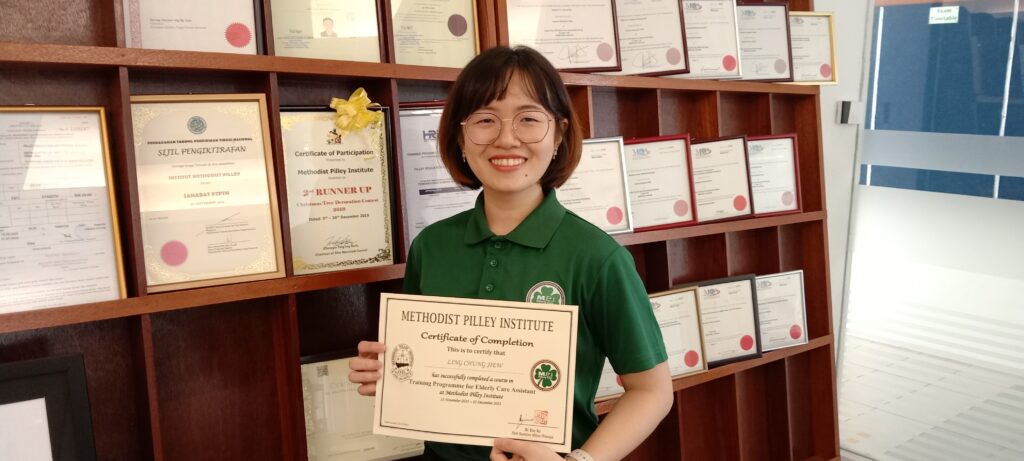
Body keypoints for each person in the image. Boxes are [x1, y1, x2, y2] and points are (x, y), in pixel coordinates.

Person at [348, 46, 673, 461]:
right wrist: (391, 373)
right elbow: (421, 366)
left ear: (558, 134)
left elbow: (652, 390)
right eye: (485, 119)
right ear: (460, 136)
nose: (506, 138)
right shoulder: (431, 246)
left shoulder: (597, 257)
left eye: (528, 119)